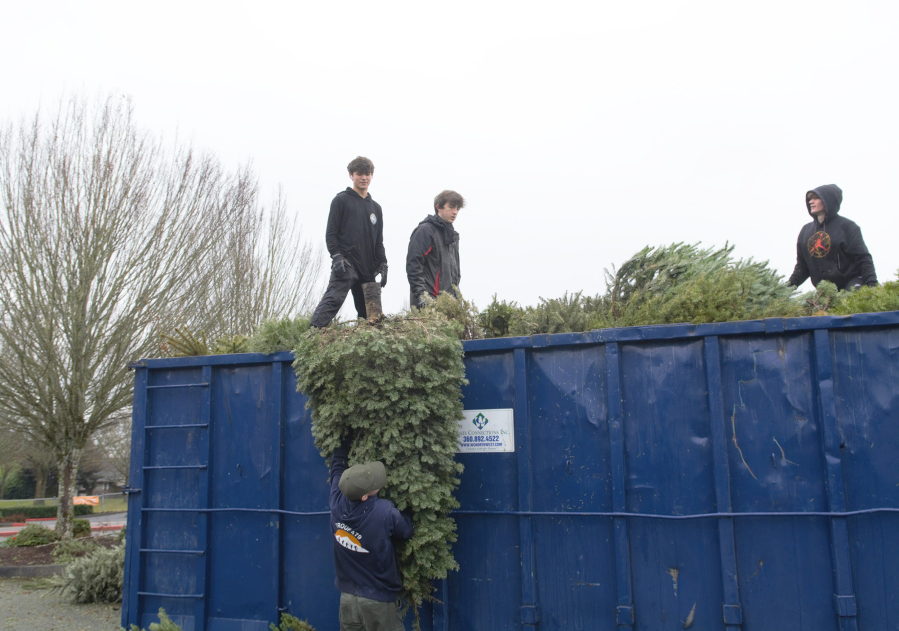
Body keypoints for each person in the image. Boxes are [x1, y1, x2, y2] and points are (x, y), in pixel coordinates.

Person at [329, 436, 413, 631]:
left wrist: (343, 436)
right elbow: (406, 530)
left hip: (348, 601)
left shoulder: (336, 502)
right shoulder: (383, 511)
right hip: (378, 603)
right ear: (365, 496)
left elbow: (336, 468)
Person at [311, 157, 388, 327]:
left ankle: (369, 347)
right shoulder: (341, 200)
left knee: (371, 316)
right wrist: (337, 256)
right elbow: (330, 233)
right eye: (359, 174)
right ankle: (311, 337)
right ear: (351, 175)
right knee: (333, 300)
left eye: (367, 174)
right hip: (346, 263)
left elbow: (378, 241)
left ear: (372, 176)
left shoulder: (376, 208)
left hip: (368, 268)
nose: (363, 178)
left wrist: (383, 263)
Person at [787, 184, 877, 291]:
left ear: (828, 200)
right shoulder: (806, 231)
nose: (811, 201)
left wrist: (873, 285)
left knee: (847, 303)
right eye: (810, 198)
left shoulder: (848, 227)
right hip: (826, 290)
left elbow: (863, 259)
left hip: (852, 284)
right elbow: (802, 267)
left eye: (816, 198)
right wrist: (785, 289)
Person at [405, 190, 465, 309]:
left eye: (457, 208)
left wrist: (457, 301)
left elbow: (454, 274)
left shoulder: (453, 236)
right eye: (451, 207)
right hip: (428, 304)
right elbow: (414, 265)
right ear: (439, 207)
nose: (455, 212)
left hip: (449, 304)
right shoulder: (425, 231)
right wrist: (422, 296)